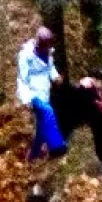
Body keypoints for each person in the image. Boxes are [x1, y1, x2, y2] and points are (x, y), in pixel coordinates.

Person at [16, 27, 67, 162]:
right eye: (45, 45)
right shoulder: (26, 55)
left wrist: (56, 77)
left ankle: (33, 155)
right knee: (48, 111)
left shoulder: (48, 53)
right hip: (32, 94)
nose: (47, 48)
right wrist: (27, 98)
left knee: (42, 126)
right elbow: (23, 78)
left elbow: (50, 68)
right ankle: (57, 146)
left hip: (44, 92)